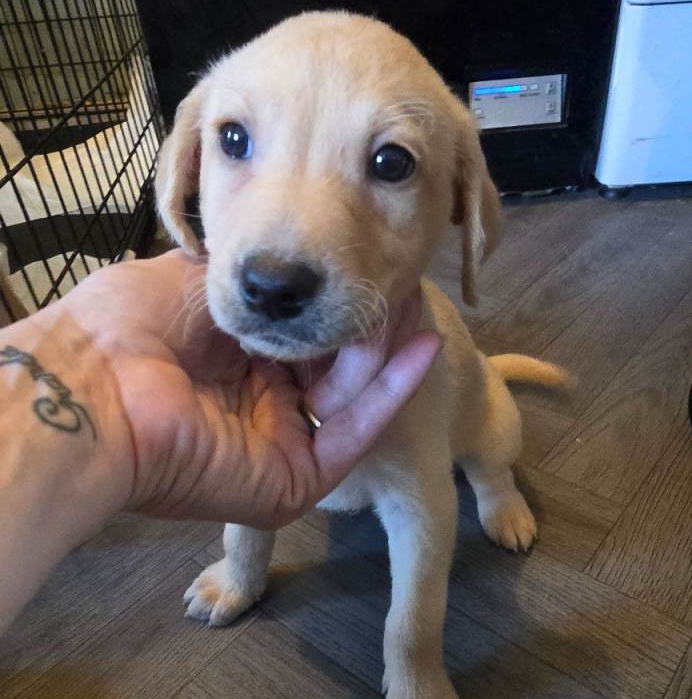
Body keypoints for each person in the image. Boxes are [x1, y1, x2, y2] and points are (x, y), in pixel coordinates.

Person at [0, 249, 441, 628]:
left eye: (389, 164)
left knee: (488, 442)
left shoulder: (412, 337)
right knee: (254, 426)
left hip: (426, 420)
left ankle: (493, 481)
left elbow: (425, 507)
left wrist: (414, 653)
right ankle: (243, 569)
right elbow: (254, 444)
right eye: (236, 144)